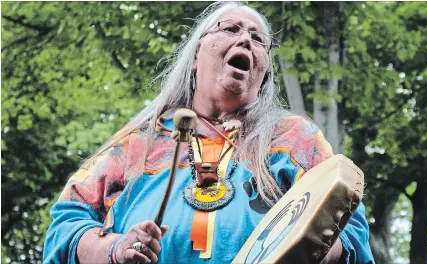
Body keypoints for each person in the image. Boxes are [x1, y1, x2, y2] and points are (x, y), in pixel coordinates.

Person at [43, 2, 375, 264]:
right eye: (230, 28)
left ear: (263, 74)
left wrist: (303, 247)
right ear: (195, 57)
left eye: (258, 38)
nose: (245, 38)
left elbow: (350, 228)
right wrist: (115, 249)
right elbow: (66, 224)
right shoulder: (135, 145)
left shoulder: (293, 138)